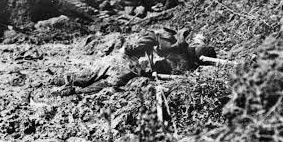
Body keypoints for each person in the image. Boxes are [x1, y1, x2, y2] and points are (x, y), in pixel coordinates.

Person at [52, 28, 216, 94]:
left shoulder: (174, 41)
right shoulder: (189, 59)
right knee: (111, 81)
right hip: (145, 70)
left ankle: (70, 85)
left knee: (106, 77)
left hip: (140, 65)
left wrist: (129, 49)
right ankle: (72, 86)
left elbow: (148, 40)